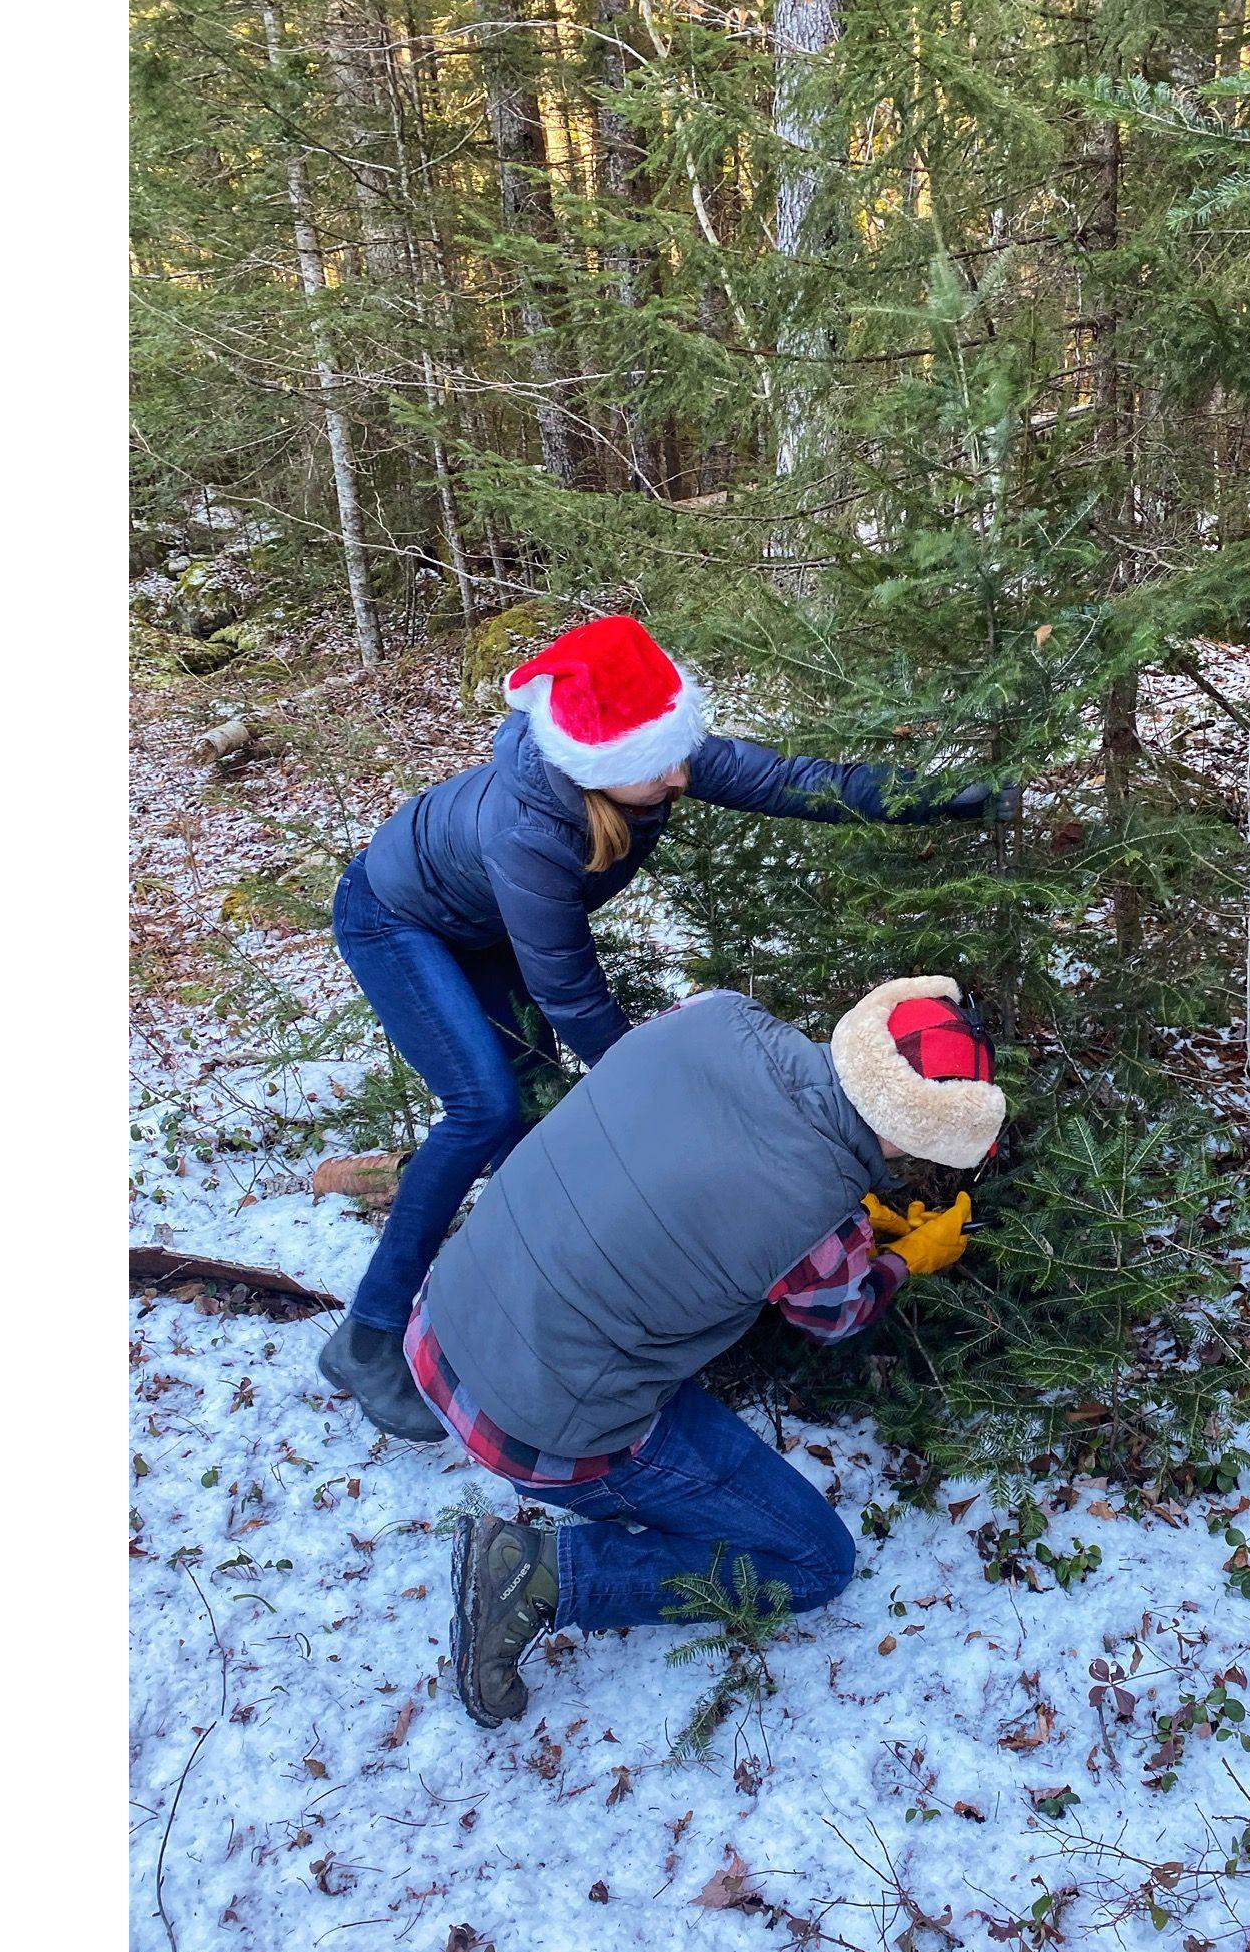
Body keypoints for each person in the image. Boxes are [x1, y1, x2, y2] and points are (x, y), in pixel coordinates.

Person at [318, 613, 1009, 1440]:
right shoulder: (529, 831)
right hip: (397, 920)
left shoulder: (652, 751)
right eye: (660, 770)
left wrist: (944, 798)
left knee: (540, 1120)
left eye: (682, 755)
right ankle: (367, 1334)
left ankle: (514, 1314)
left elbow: (797, 781)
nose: (683, 776)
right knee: (487, 1108)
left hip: (483, 925)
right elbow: (573, 998)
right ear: (600, 773)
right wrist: (672, 1095)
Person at [418, 974, 1005, 1728]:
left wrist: (853, 1209)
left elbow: (707, 1149)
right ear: (930, 1132)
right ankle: (544, 1575)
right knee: (815, 1560)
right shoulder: (818, 1229)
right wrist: (906, 1256)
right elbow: (839, 1312)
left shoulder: (716, 1013)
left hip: (449, 1311)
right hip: (543, 1418)